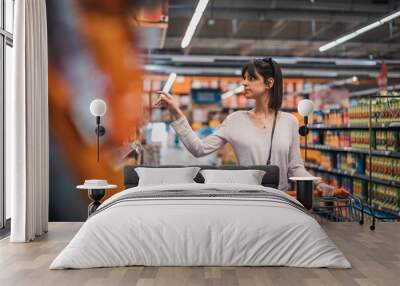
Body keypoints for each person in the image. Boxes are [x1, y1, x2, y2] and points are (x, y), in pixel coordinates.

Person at [153, 58, 334, 194]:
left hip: (280, 200)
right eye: (244, 78)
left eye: (251, 78)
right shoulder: (235, 120)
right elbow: (198, 149)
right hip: (246, 198)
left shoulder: (290, 121)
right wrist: (176, 111)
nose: (244, 83)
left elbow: (295, 167)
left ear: (269, 83)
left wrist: (318, 183)